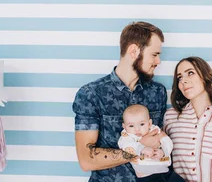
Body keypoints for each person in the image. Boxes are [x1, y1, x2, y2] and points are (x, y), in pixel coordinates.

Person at [72, 21, 183, 182]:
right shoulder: (91, 94)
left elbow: (158, 140)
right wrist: (139, 148)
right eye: (154, 54)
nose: (158, 61)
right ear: (133, 50)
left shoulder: (157, 92)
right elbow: (86, 160)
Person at [118, 104, 173, 179]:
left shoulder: (155, 130)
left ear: (149, 123)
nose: (137, 129)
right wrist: (141, 149)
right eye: (131, 126)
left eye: (142, 124)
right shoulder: (127, 136)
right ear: (124, 127)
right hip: (146, 174)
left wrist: (164, 151)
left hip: (165, 170)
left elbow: (166, 140)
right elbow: (127, 146)